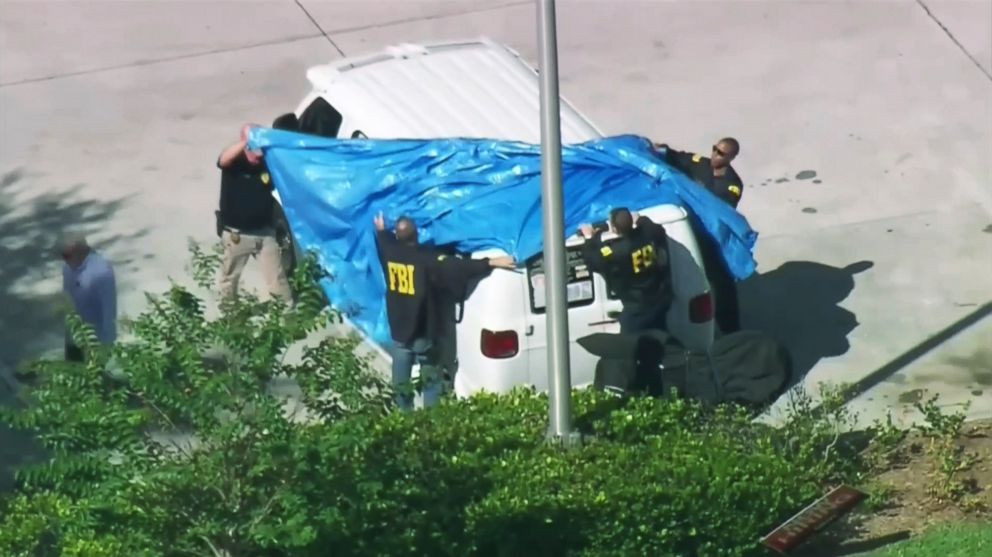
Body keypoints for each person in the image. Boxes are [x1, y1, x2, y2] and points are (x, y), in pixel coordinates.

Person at [373, 212, 515, 411]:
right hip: (424, 334)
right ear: (416, 235)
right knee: (431, 383)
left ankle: (404, 424)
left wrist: (381, 229)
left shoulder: (390, 252)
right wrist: (490, 262)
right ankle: (433, 424)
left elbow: (383, 239)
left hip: (400, 334)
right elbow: (457, 266)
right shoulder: (427, 259)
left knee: (400, 386)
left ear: (397, 235)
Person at [655, 137, 744, 334]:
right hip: (690, 228)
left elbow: (719, 211)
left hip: (711, 238)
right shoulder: (700, 164)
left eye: (721, 153)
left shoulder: (731, 185)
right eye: (714, 149)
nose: (714, 155)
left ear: (731, 157)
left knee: (720, 282)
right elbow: (679, 158)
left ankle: (731, 330)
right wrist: (662, 150)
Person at [214, 117, 296, 303]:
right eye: (253, 150)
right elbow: (222, 160)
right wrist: (246, 141)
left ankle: (288, 317)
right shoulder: (234, 163)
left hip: (264, 233)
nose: (258, 156)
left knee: (277, 278)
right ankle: (230, 319)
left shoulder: (267, 161)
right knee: (229, 279)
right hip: (238, 235)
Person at [579, 208, 673, 334]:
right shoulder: (647, 235)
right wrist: (640, 219)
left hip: (636, 311)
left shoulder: (616, 252)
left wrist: (590, 237)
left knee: (632, 348)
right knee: (660, 340)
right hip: (657, 303)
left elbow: (594, 260)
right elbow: (657, 230)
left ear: (614, 229)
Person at [60, 235, 117, 361]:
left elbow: (109, 309)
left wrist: (107, 345)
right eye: (63, 256)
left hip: (95, 340)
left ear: (81, 253)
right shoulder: (68, 268)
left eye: (67, 256)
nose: (65, 260)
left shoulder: (101, 272)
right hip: (74, 335)